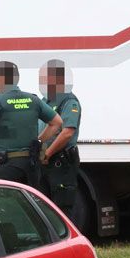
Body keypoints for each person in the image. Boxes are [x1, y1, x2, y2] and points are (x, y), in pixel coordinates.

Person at [0, 61, 63, 187]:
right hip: (31, 165)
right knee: (29, 199)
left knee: (5, 199)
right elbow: (57, 122)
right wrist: (39, 141)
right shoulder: (33, 100)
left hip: (7, 166)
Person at [39, 59, 82, 216]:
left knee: (61, 209)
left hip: (61, 162)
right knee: (43, 209)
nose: (43, 81)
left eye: (46, 78)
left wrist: (48, 153)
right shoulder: (46, 101)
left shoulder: (69, 101)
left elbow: (67, 132)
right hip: (45, 162)